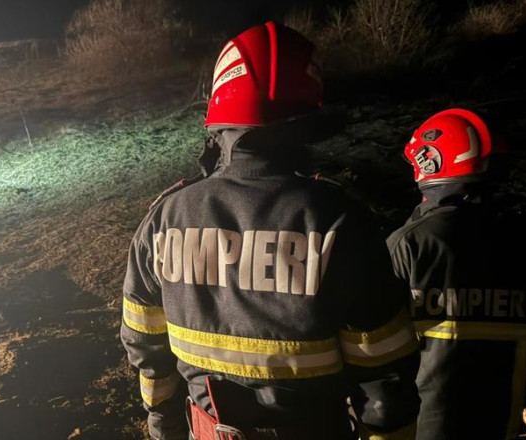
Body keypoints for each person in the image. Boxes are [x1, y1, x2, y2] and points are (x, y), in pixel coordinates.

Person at [120, 21, 420, 440]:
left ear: (218, 120)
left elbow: (146, 349)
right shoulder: (339, 220)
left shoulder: (163, 219)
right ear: (303, 122)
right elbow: (385, 376)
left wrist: (163, 427)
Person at [386, 109, 526, 440]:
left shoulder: (410, 243)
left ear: (429, 163)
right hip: (501, 425)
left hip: (422, 428)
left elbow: (378, 350)